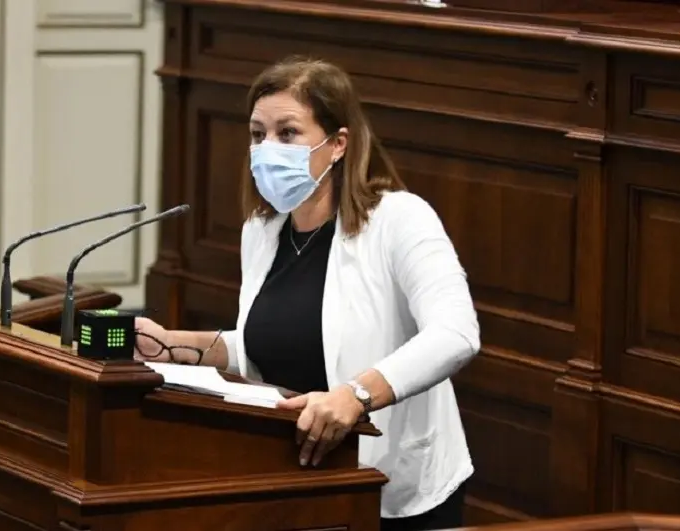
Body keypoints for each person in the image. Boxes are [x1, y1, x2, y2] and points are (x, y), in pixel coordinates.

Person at [134, 56, 480, 531]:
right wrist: (172, 345)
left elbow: (456, 334)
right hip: (291, 480)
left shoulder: (400, 219)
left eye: (288, 133)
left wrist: (356, 395)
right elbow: (265, 341)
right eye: (258, 135)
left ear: (338, 143)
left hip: (390, 487)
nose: (267, 149)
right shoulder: (262, 229)